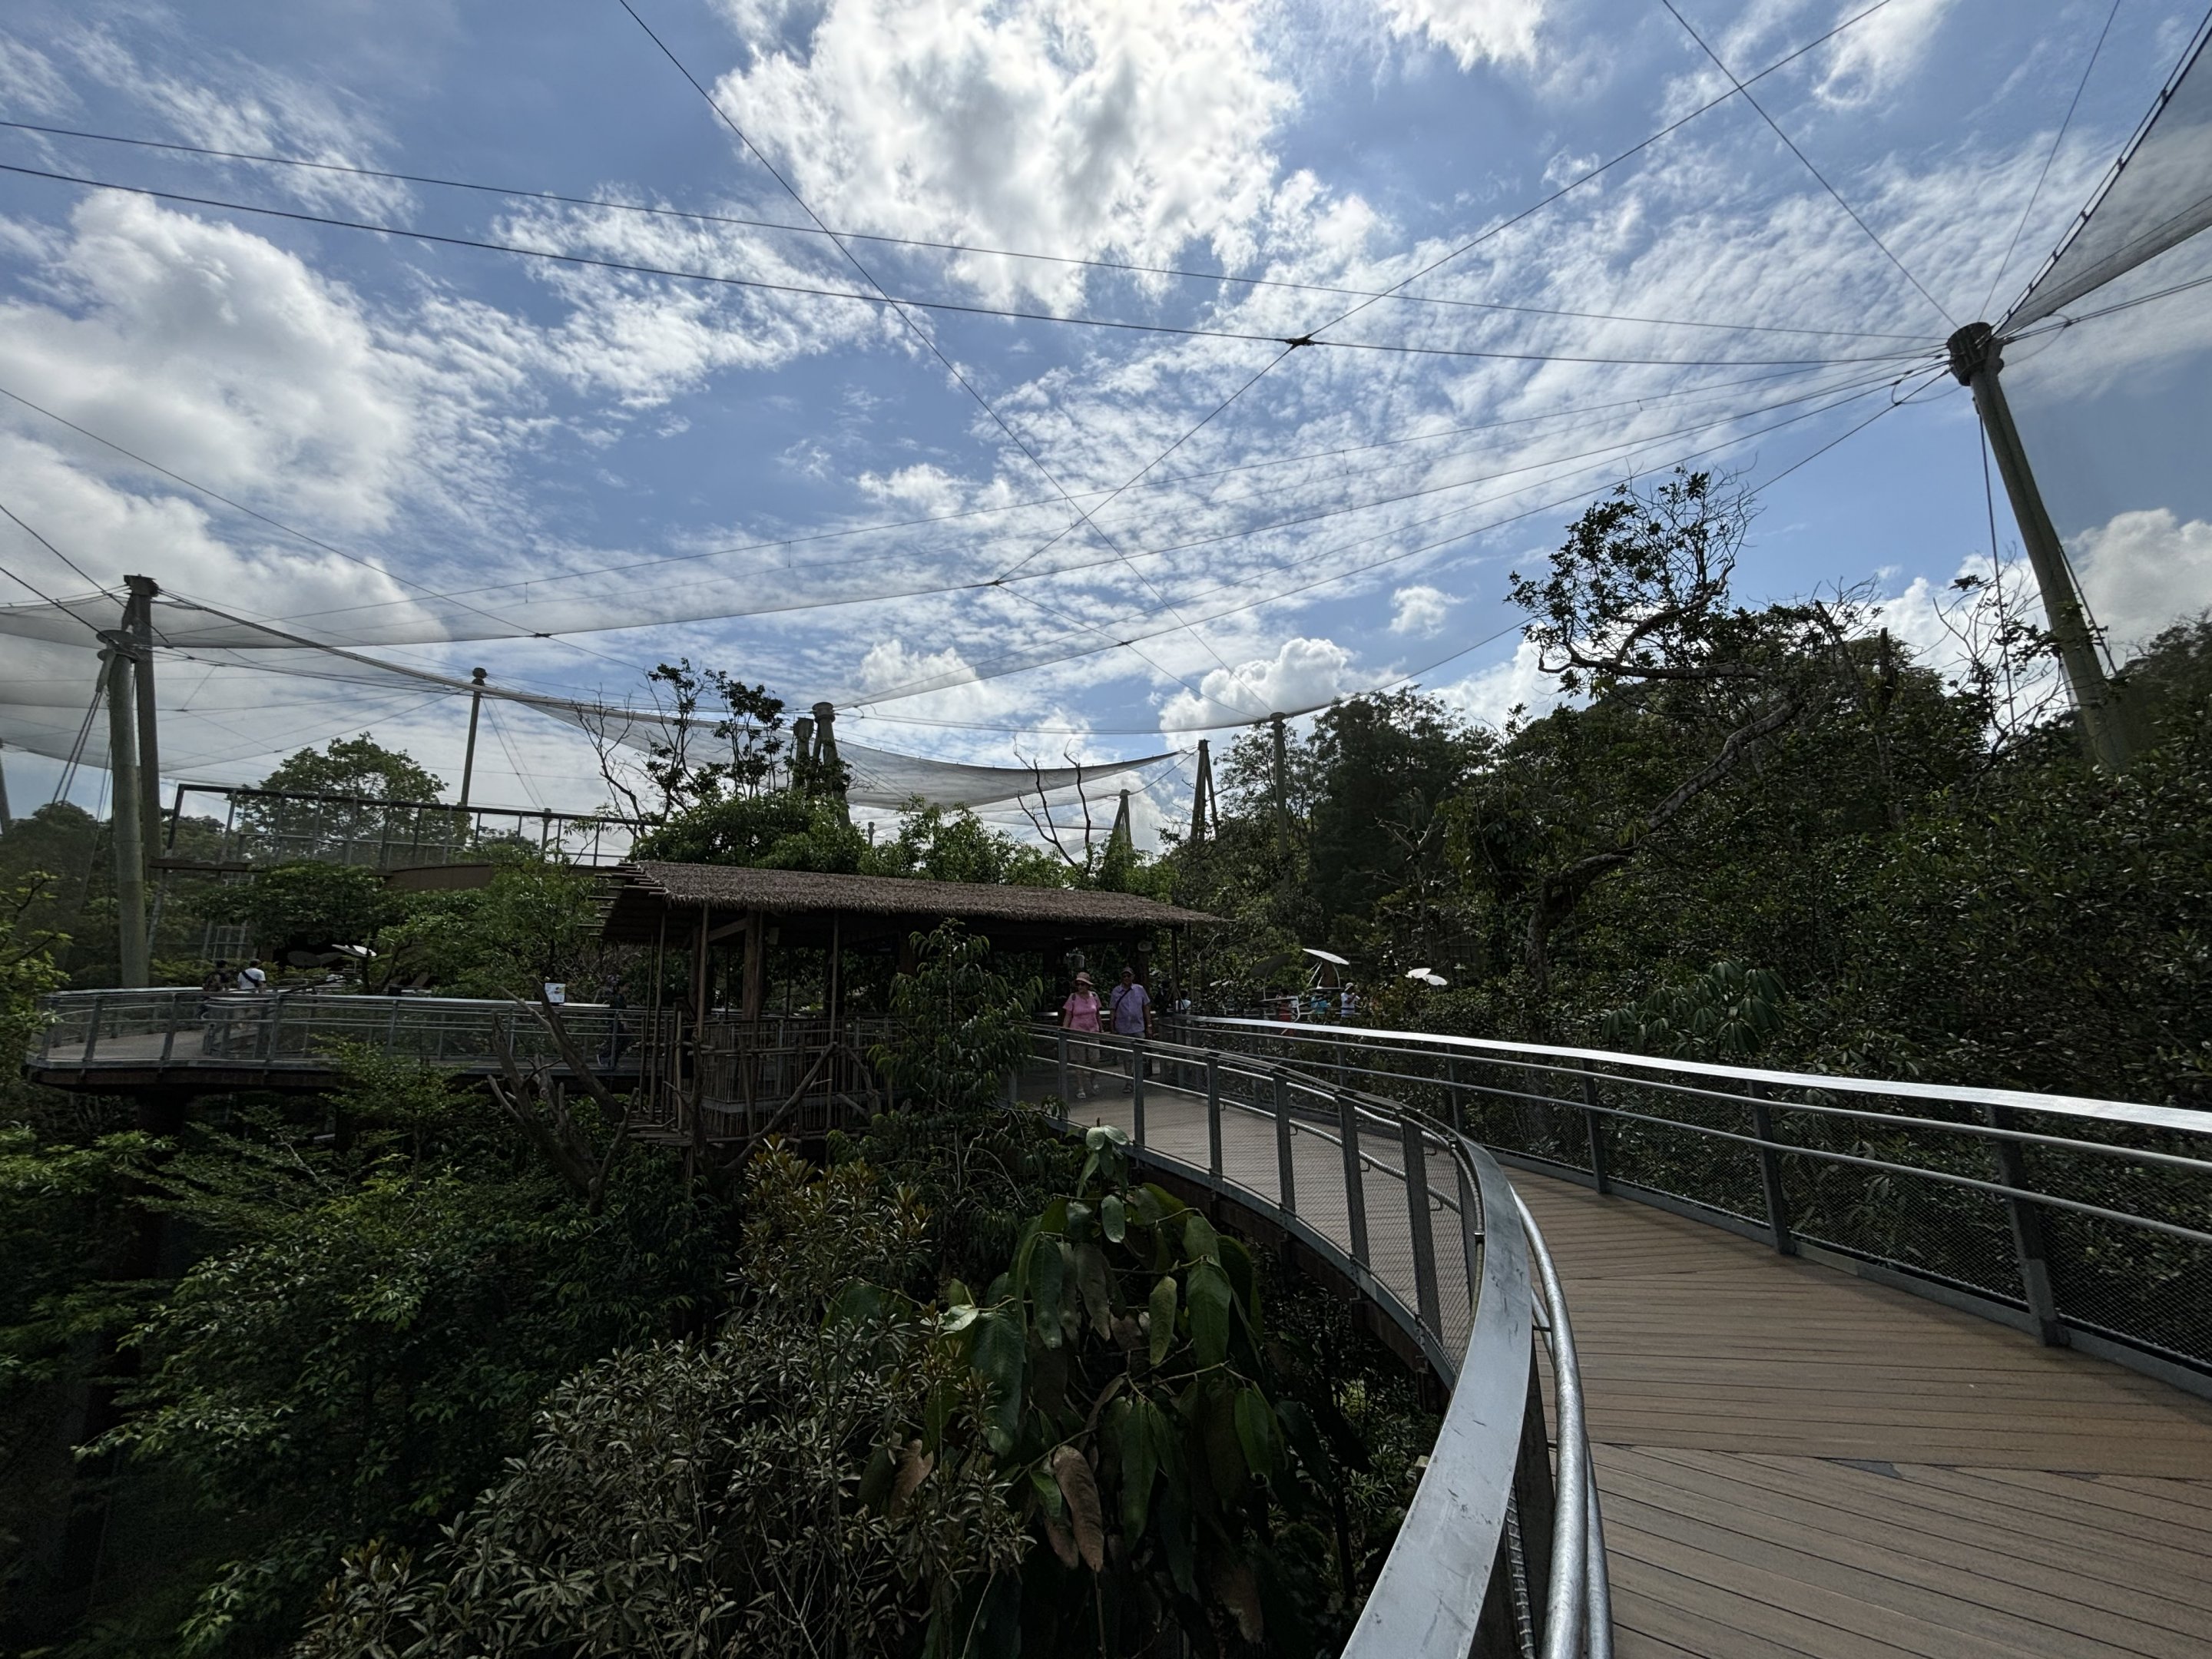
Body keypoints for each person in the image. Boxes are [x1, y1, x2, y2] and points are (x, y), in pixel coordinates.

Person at [1061, 970, 1103, 1101]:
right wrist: (1064, 1030)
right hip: (1077, 1031)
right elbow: (1068, 1015)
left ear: (1088, 986)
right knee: (1080, 1061)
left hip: (1093, 1031)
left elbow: (1097, 1014)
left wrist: (1102, 1029)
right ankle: (1081, 1088)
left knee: (1095, 1059)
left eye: (1083, 984)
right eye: (1078, 984)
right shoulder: (1073, 997)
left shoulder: (1094, 996)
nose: (1080, 987)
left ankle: (1093, 1079)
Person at [1110, 967, 1153, 1094]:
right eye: (1124, 976)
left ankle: (1137, 1080)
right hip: (1123, 1028)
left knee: (1139, 1056)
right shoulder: (1116, 991)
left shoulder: (1139, 989)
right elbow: (1113, 1009)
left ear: (1133, 977)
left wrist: (1149, 1025)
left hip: (1138, 1027)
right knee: (1127, 1057)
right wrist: (1112, 1027)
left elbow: (1146, 1006)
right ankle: (1129, 1081)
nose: (1127, 978)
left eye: (1129, 976)